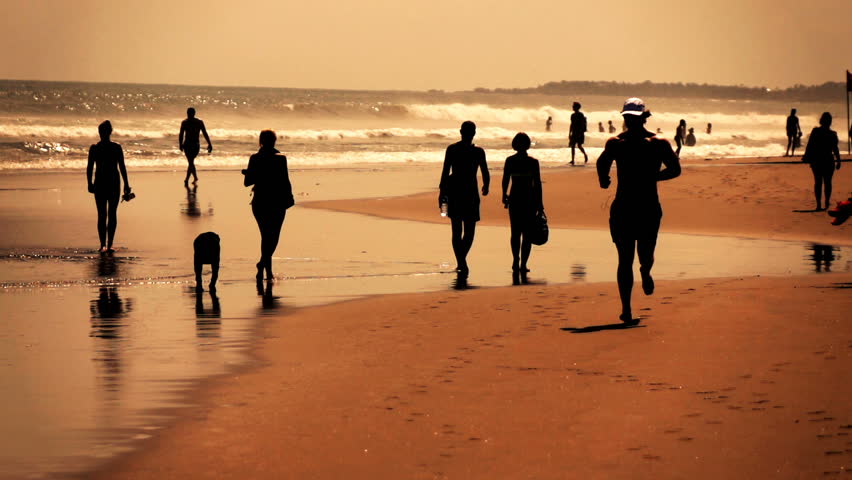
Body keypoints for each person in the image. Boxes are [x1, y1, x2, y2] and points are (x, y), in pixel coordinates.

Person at [596, 98, 681, 325]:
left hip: (648, 207)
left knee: (645, 255)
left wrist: (654, 176)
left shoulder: (657, 142)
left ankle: (645, 271)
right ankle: (626, 310)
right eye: (626, 117)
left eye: (632, 117)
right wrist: (603, 179)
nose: (628, 121)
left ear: (643, 117)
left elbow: (675, 169)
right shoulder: (616, 143)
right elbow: (601, 162)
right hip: (623, 207)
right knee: (624, 260)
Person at [242, 130, 294, 282]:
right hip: (277, 201)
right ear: (275, 141)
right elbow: (285, 180)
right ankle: (264, 267)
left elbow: (247, 182)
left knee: (266, 236)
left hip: (260, 202)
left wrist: (250, 173)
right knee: (273, 237)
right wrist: (290, 197)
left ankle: (266, 269)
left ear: (261, 141)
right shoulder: (281, 159)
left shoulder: (255, 158)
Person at [439, 121, 490, 275]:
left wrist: (441, 193)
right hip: (470, 192)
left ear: (461, 131)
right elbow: (485, 172)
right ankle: (462, 261)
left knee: (457, 230)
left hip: (454, 190)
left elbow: (445, 172)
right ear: (474, 133)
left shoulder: (452, 149)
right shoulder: (478, 152)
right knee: (469, 230)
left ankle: (461, 261)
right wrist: (486, 186)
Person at [502, 133, 543, 278]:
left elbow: (505, 180)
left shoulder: (510, 161)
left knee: (515, 232)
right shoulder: (533, 162)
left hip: (515, 198)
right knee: (527, 234)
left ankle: (515, 260)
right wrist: (540, 204)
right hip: (529, 199)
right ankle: (523, 264)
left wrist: (504, 195)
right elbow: (537, 184)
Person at [86, 120, 131, 253]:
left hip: (100, 182)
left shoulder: (95, 148)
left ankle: (103, 245)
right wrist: (127, 184)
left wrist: (89, 183)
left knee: (102, 214)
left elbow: (89, 168)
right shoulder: (116, 147)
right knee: (111, 214)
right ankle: (109, 244)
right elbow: (122, 167)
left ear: (100, 132)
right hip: (113, 182)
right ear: (110, 132)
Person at [803, 112, 842, 211]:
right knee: (828, 182)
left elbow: (810, 145)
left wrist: (806, 156)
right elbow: (835, 149)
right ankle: (827, 202)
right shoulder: (832, 134)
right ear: (830, 122)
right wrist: (838, 160)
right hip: (828, 160)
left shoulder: (816, 131)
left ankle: (819, 204)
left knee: (818, 182)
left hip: (817, 160)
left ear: (821, 120)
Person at [179, 107, 213, 185]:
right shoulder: (184, 122)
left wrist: (209, 144)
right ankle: (195, 177)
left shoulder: (199, 122)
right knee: (191, 162)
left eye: (190, 113)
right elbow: (181, 134)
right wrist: (180, 144)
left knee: (191, 162)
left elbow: (205, 133)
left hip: (195, 145)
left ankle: (187, 179)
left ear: (194, 114)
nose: (189, 115)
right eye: (188, 113)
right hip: (187, 144)